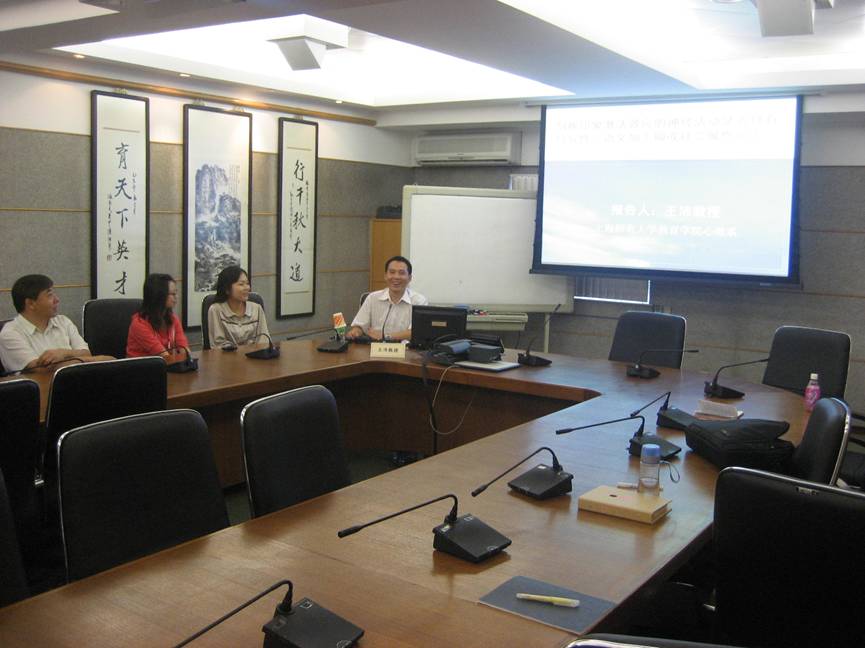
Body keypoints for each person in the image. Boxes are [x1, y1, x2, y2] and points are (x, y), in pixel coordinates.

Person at [0, 274, 110, 373]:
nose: (57, 300)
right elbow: (39, 370)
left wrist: (64, 353)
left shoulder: (63, 322)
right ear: (31, 303)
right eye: (49, 295)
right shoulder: (10, 333)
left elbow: (86, 353)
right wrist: (96, 359)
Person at [347, 255, 427, 342]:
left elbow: (416, 332)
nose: (396, 277)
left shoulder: (419, 301)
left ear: (409, 278)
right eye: (392, 272)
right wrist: (355, 332)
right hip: (374, 347)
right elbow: (359, 326)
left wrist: (386, 336)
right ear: (385, 276)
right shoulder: (373, 298)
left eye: (401, 273)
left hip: (406, 348)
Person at [126, 273, 189, 362]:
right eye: (173, 294)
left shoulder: (173, 318)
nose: (176, 297)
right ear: (159, 295)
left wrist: (188, 360)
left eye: (176, 293)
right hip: (141, 368)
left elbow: (184, 348)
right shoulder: (139, 324)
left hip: (165, 365)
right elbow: (163, 355)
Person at [207, 265, 269, 349]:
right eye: (241, 284)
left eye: (247, 283)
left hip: (255, 355)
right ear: (227, 289)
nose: (247, 288)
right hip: (227, 356)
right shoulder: (216, 310)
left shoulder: (257, 308)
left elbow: (264, 340)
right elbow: (218, 344)